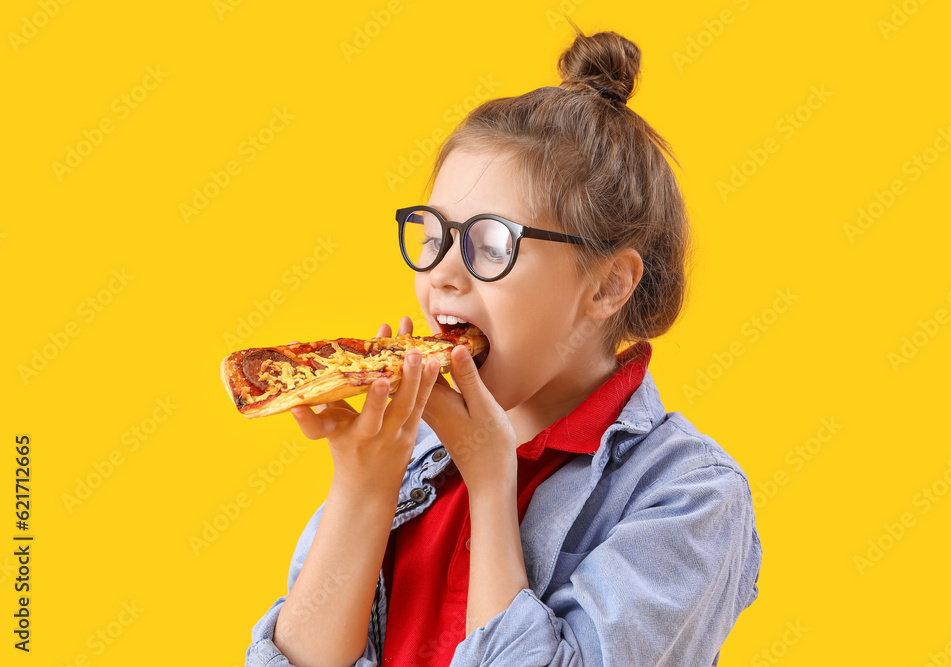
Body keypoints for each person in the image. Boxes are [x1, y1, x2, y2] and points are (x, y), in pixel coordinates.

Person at [246, 24, 761, 667]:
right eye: (432, 234)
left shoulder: (688, 495)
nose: (442, 274)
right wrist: (363, 488)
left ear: (607, 286)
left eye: (490, 244)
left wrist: (493, 484)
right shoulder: (406, 457)